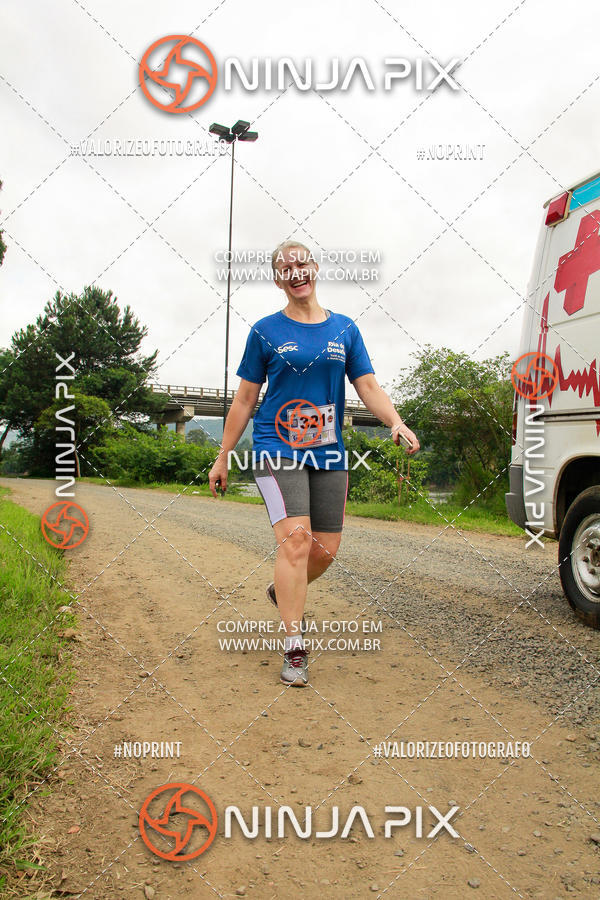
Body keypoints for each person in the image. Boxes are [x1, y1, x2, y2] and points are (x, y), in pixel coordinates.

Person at [208, 240, 419, 687]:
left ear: (316, 268)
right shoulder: (265, 331)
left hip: (327, 451)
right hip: (275, 447)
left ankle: (282, 590)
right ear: (278, 278)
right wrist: (223, 455)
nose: (295, 271)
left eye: (301, 263)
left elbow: (368, 386)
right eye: (285, 267)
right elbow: (245, 398)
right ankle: (295, 647)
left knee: (323, 553)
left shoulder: (344, 330)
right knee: (297, 542)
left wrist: (396, 422)